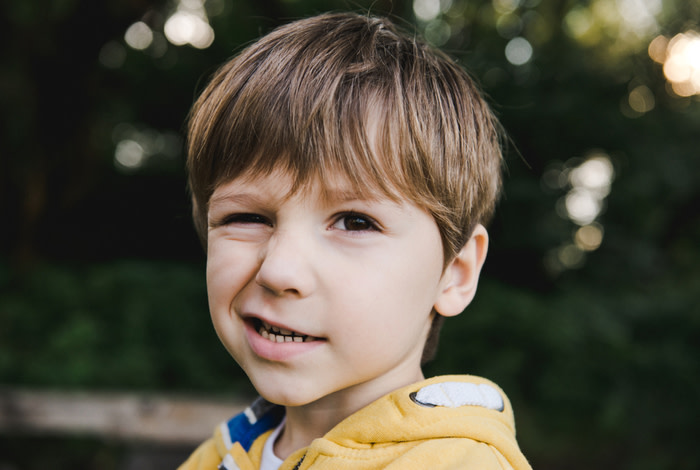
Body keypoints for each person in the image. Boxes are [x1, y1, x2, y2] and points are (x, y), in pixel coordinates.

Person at [179, 12, 531, 470]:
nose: (279, 271)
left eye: (354, 222)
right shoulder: (214, 458)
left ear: (456, 274)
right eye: (248, 217)